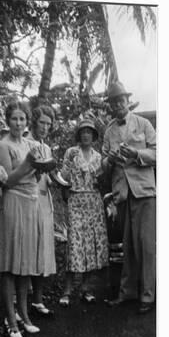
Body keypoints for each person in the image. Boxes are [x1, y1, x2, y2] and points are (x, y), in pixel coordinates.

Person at [102, 81, 156, 314]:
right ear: (110, 106)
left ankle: (148, 295)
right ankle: (128, 293)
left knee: (146, 245)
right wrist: (111, 160)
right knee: (128, 246)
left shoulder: (143, 124)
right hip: (122, 193)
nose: (117, 104)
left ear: (127, 100)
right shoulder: (108, 130)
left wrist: (137, 153)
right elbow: (103, 164)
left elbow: (158, 152)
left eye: (120, 100)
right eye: (113, 102)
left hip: (144, 191)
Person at [0, 102, 46, 337]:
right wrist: (29, 163)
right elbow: (7, 180)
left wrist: (41, 167)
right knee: (10, 262)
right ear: (8, 121)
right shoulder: (3, 145)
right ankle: (10, 318)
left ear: (27, 122)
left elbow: (37, 175)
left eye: (22, 119)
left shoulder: (31, 144)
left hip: (31, 202)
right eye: (14, 119)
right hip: (13, 202)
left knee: (25, 262)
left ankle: (25, 315)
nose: (18, 123)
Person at [58, 119, 110, 306]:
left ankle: (86, 289)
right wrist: (67, 192)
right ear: (78, 135)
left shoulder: (99, 157)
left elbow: (103, 181)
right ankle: (67, 290)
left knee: (91, 245)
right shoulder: (72, 152)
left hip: (94, 202)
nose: (86, 135)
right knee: (75, 244)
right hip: (76, 200)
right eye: (83, 132)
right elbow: (62, 178)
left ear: (94, 135)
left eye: (89, 132)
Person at [27, 105, 57, 316]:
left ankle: (37, 300)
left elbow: (51, 175)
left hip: (45, 200)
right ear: (34, 122)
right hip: (29, 200)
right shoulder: (26, 142)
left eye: (49, 124)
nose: (45, 127)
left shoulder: (46, 147)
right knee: (29, 248)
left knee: (43, 250)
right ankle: (21, 301)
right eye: (42, 122)